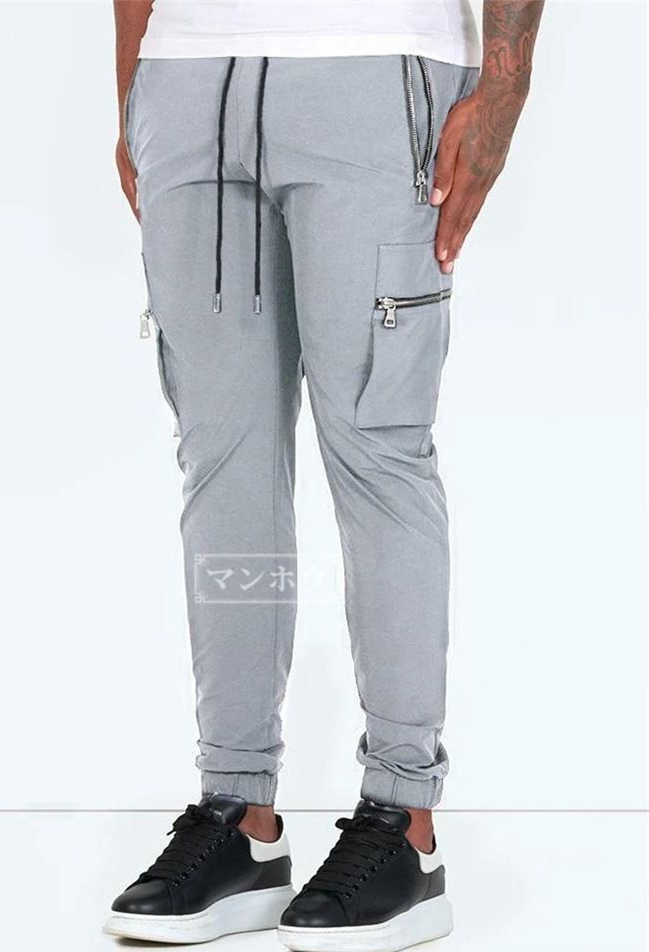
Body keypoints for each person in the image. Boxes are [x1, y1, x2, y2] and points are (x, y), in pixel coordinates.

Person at [104, 2, 544, 949]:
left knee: (378, 451)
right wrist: (134, 84)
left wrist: (505, 87)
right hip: (186, 76)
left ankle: (404, 820)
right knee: (223, 463)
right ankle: (239, 814)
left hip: (377, 70)